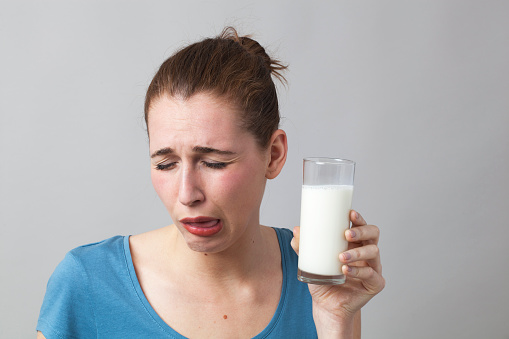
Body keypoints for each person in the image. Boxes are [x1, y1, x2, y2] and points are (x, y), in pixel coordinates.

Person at [36, 27, 384, 339]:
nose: (187, 194)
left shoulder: (318, 284)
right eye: (165, 163)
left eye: (214, 162)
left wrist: (335, 321)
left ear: (274, 155)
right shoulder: (88, 284)